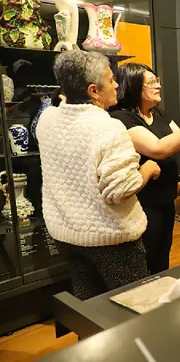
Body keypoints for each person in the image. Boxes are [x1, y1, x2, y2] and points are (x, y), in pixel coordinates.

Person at [37, 50, 161, 300]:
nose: (116, 84)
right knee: (133, 306)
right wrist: (147, 169)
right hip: (110, 239)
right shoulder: (108, 127)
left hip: (67, 234)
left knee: (90, 306)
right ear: (93, 90)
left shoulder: (47, 119)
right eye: (111, 79)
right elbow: (120, 190)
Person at [110, 63, 180, 274]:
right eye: (151, 82)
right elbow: (158, 149)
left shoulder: (157, 113)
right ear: (133, 87)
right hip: (143, 203)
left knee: (161, 256)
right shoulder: (122, 118)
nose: (158, 86)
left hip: (166, 198)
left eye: (157, 81)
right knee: (146, 258)